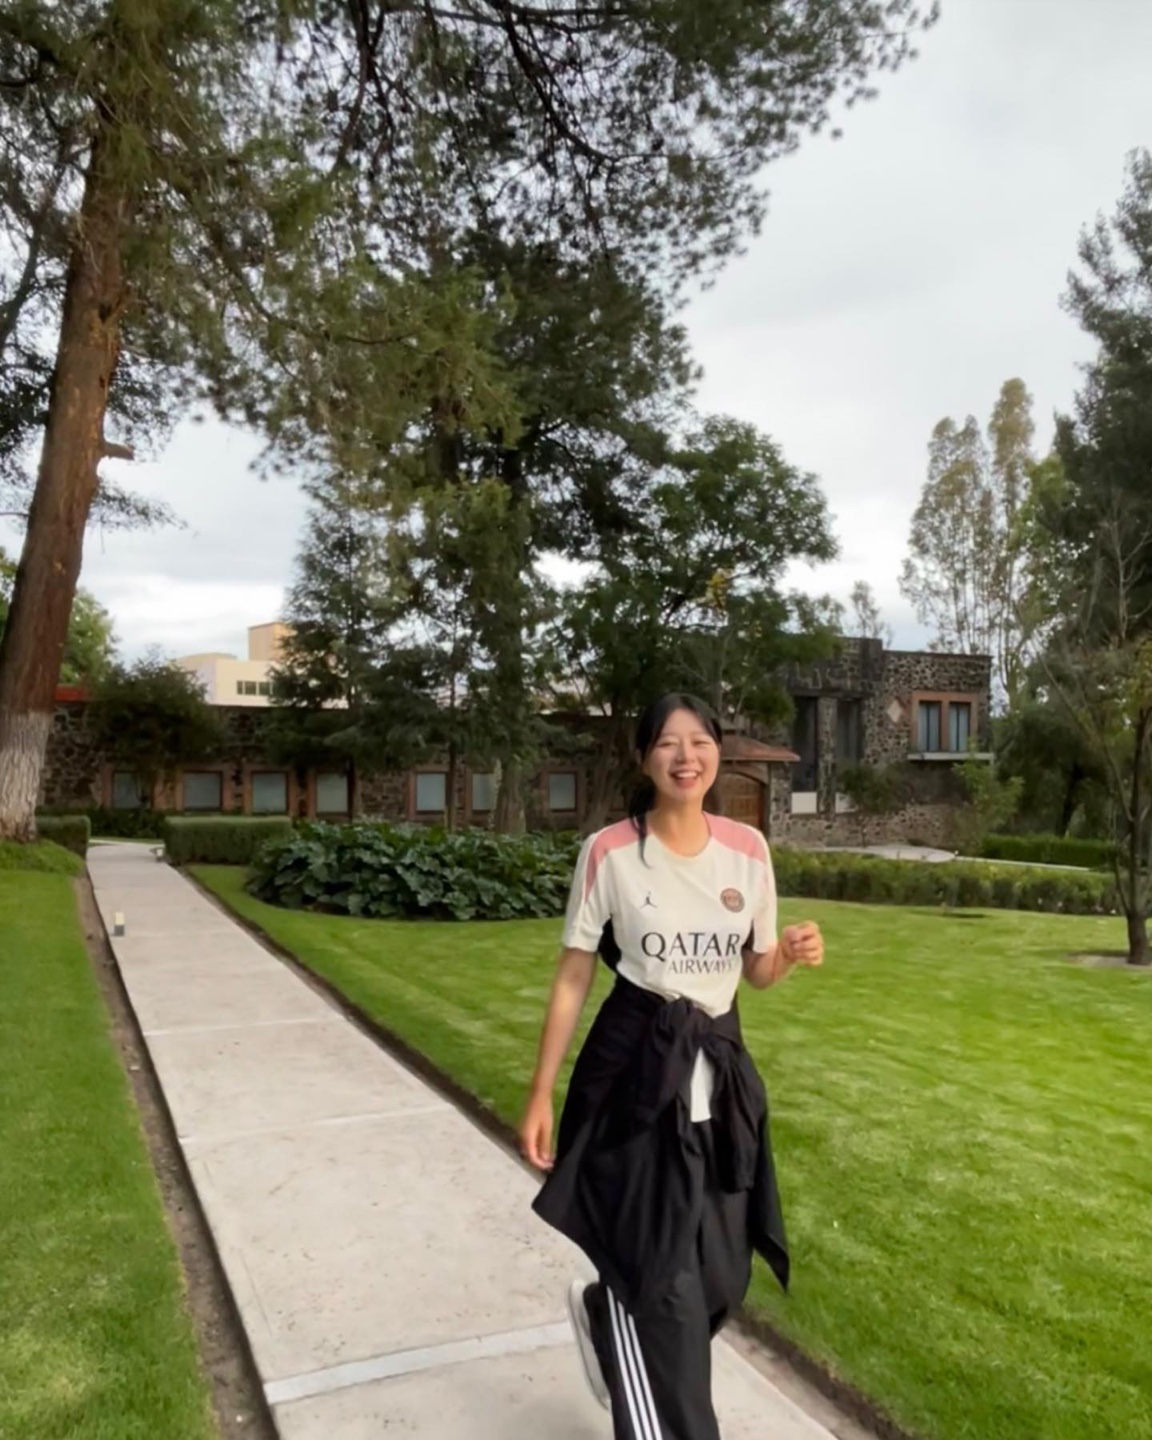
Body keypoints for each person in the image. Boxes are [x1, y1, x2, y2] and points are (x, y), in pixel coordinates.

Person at [520, 693, 824, 1440]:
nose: (685, 757)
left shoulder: (748, 850)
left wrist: (786, 955)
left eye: (699, 742)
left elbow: (754, 971)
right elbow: (574, 974)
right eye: (666, 743)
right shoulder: (611, 852)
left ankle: (606, 1310)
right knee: (666, 1295)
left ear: (718, 751)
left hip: (719, 1085)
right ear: (643, 757)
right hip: (634, 1082)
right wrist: (541, 1091)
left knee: (720, 1277)